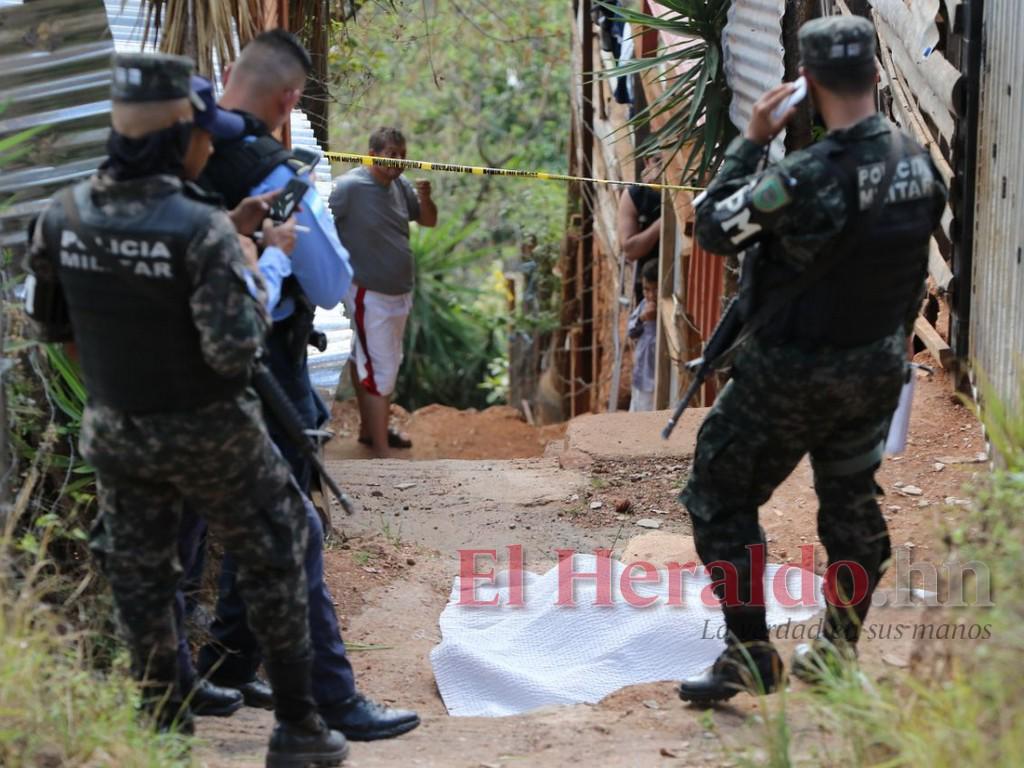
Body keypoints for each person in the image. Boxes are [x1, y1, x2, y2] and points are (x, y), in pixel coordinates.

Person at [23, 53, 348, 766]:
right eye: (202, 133)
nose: (208, 146)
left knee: (142, 570)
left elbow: (55, 330)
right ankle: (300, 727)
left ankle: (163, 728)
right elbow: (234, 350)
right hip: (210, 431)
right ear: (178, 138)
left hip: (116, 429)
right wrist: (253, 255)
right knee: (283, 542)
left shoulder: (61, 217)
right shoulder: (202, 229)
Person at [675, 16, 947, 703]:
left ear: (807, 83)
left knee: (719, 496)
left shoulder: (803, 177)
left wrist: (751, 141)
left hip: (788, 377)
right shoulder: (918, 164)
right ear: (877, 75)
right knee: (851, 507)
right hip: (875, 371)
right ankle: (835, 653)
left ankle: (748, 653)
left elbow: (715, 228)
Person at [184, 30, 421, 742]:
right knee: (290, 524)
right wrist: (275, 257)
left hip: (167, 369)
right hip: (257, 364)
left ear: (228, 72)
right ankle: (327, 702)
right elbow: (326, 283)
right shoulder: (273, 173)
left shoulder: (160, 157)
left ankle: (217, 668)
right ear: (290, 100)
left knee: (192, 524)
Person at [329, 127, 438, 458]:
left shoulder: (400, 186)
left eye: (403, 155)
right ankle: (380, 450)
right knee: (381, 367)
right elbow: (321, 222)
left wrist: (425, 197)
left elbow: (428, 221)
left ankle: (370, 431)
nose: (399, 161)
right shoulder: (348, 187)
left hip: (398, 293)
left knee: (374, 360)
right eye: (392, 154)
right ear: (372, 155)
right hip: (368, 291)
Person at [617, 155, 662, 304]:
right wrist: (662, 224)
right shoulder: (635, 195)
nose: (663, 167)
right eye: (658, 161)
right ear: (646, 162)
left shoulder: (688, 191)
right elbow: (630, 250)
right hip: (651, 291)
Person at [627, 260, 658, 412]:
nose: (651, 295)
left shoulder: (666, 307)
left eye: (655, 289)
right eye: (646, 289)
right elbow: (631, 332)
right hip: (641, 374)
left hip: (656, 379)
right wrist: (642, 318)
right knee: (636, 413)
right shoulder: (643, 305)